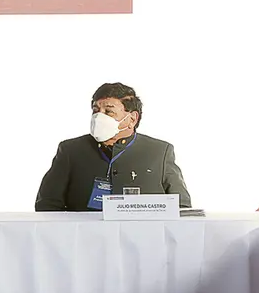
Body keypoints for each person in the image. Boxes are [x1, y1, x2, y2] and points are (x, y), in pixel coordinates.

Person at [35, 82, 192, 211]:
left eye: (108, 112)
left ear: (132, 118)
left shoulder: (160, 152)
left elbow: (182, 208)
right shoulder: (70, 150)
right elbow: (47, 204)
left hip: (144, 243)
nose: (99, 117)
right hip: (87, 243)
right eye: (96, 111)